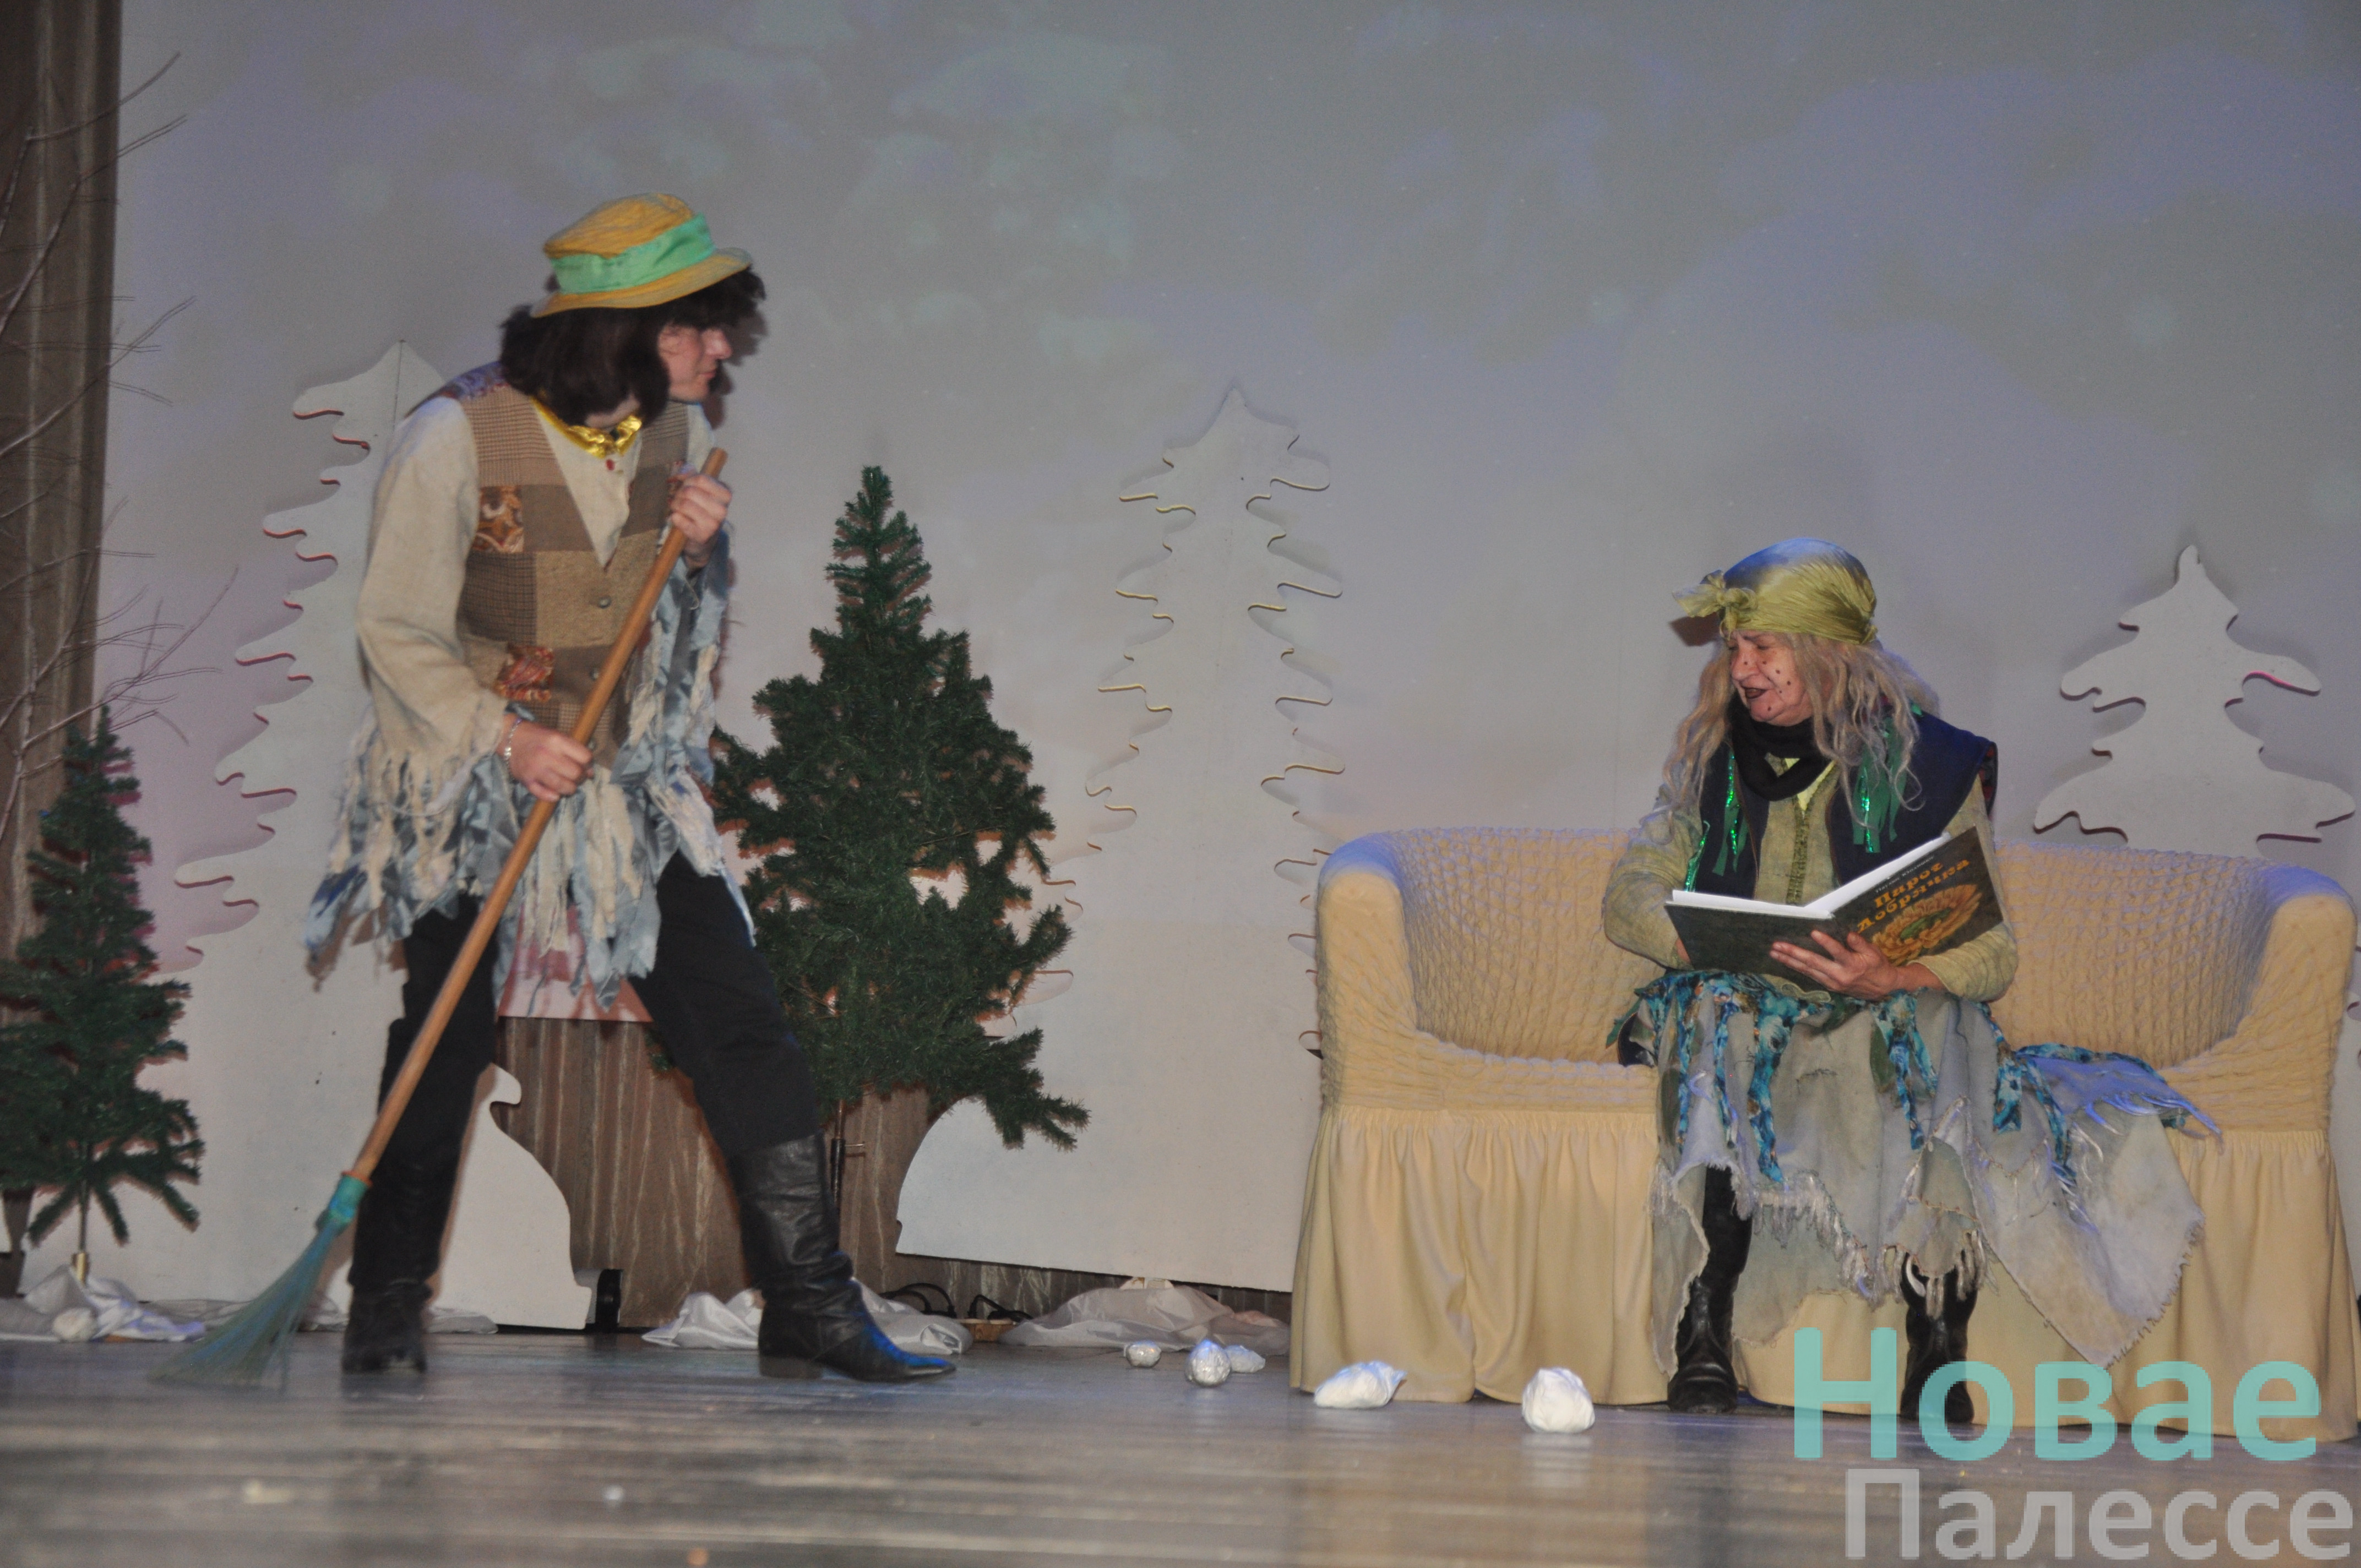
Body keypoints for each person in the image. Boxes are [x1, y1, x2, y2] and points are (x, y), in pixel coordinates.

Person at [306, 193, 950, 1384]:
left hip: (619, 779)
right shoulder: (454, 437)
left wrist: (696, 557)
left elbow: (665, 628)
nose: (723, 350)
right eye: (704, 327)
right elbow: (394, 631)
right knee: (445, 1031)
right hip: (470, 771)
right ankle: (386, 1305)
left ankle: (807, 1301)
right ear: (639, 332)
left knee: (739, 1019)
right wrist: (504, 736)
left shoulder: (664, 432)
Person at [1602, 539, 2207, 1421]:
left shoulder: (1930, 769)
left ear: (1826, 650)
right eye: (1735, 650)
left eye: (1763, 647)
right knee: (1714, 1012)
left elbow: (1991, 955)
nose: (1743, 670)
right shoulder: (1712, 760)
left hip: (1872, 1011)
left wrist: (1895, 971)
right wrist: (1714, 943)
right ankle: (1706, 1324)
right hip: (1750, 1003)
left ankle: (1938, 1338)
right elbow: (1630, 896)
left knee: (1941, 1020)